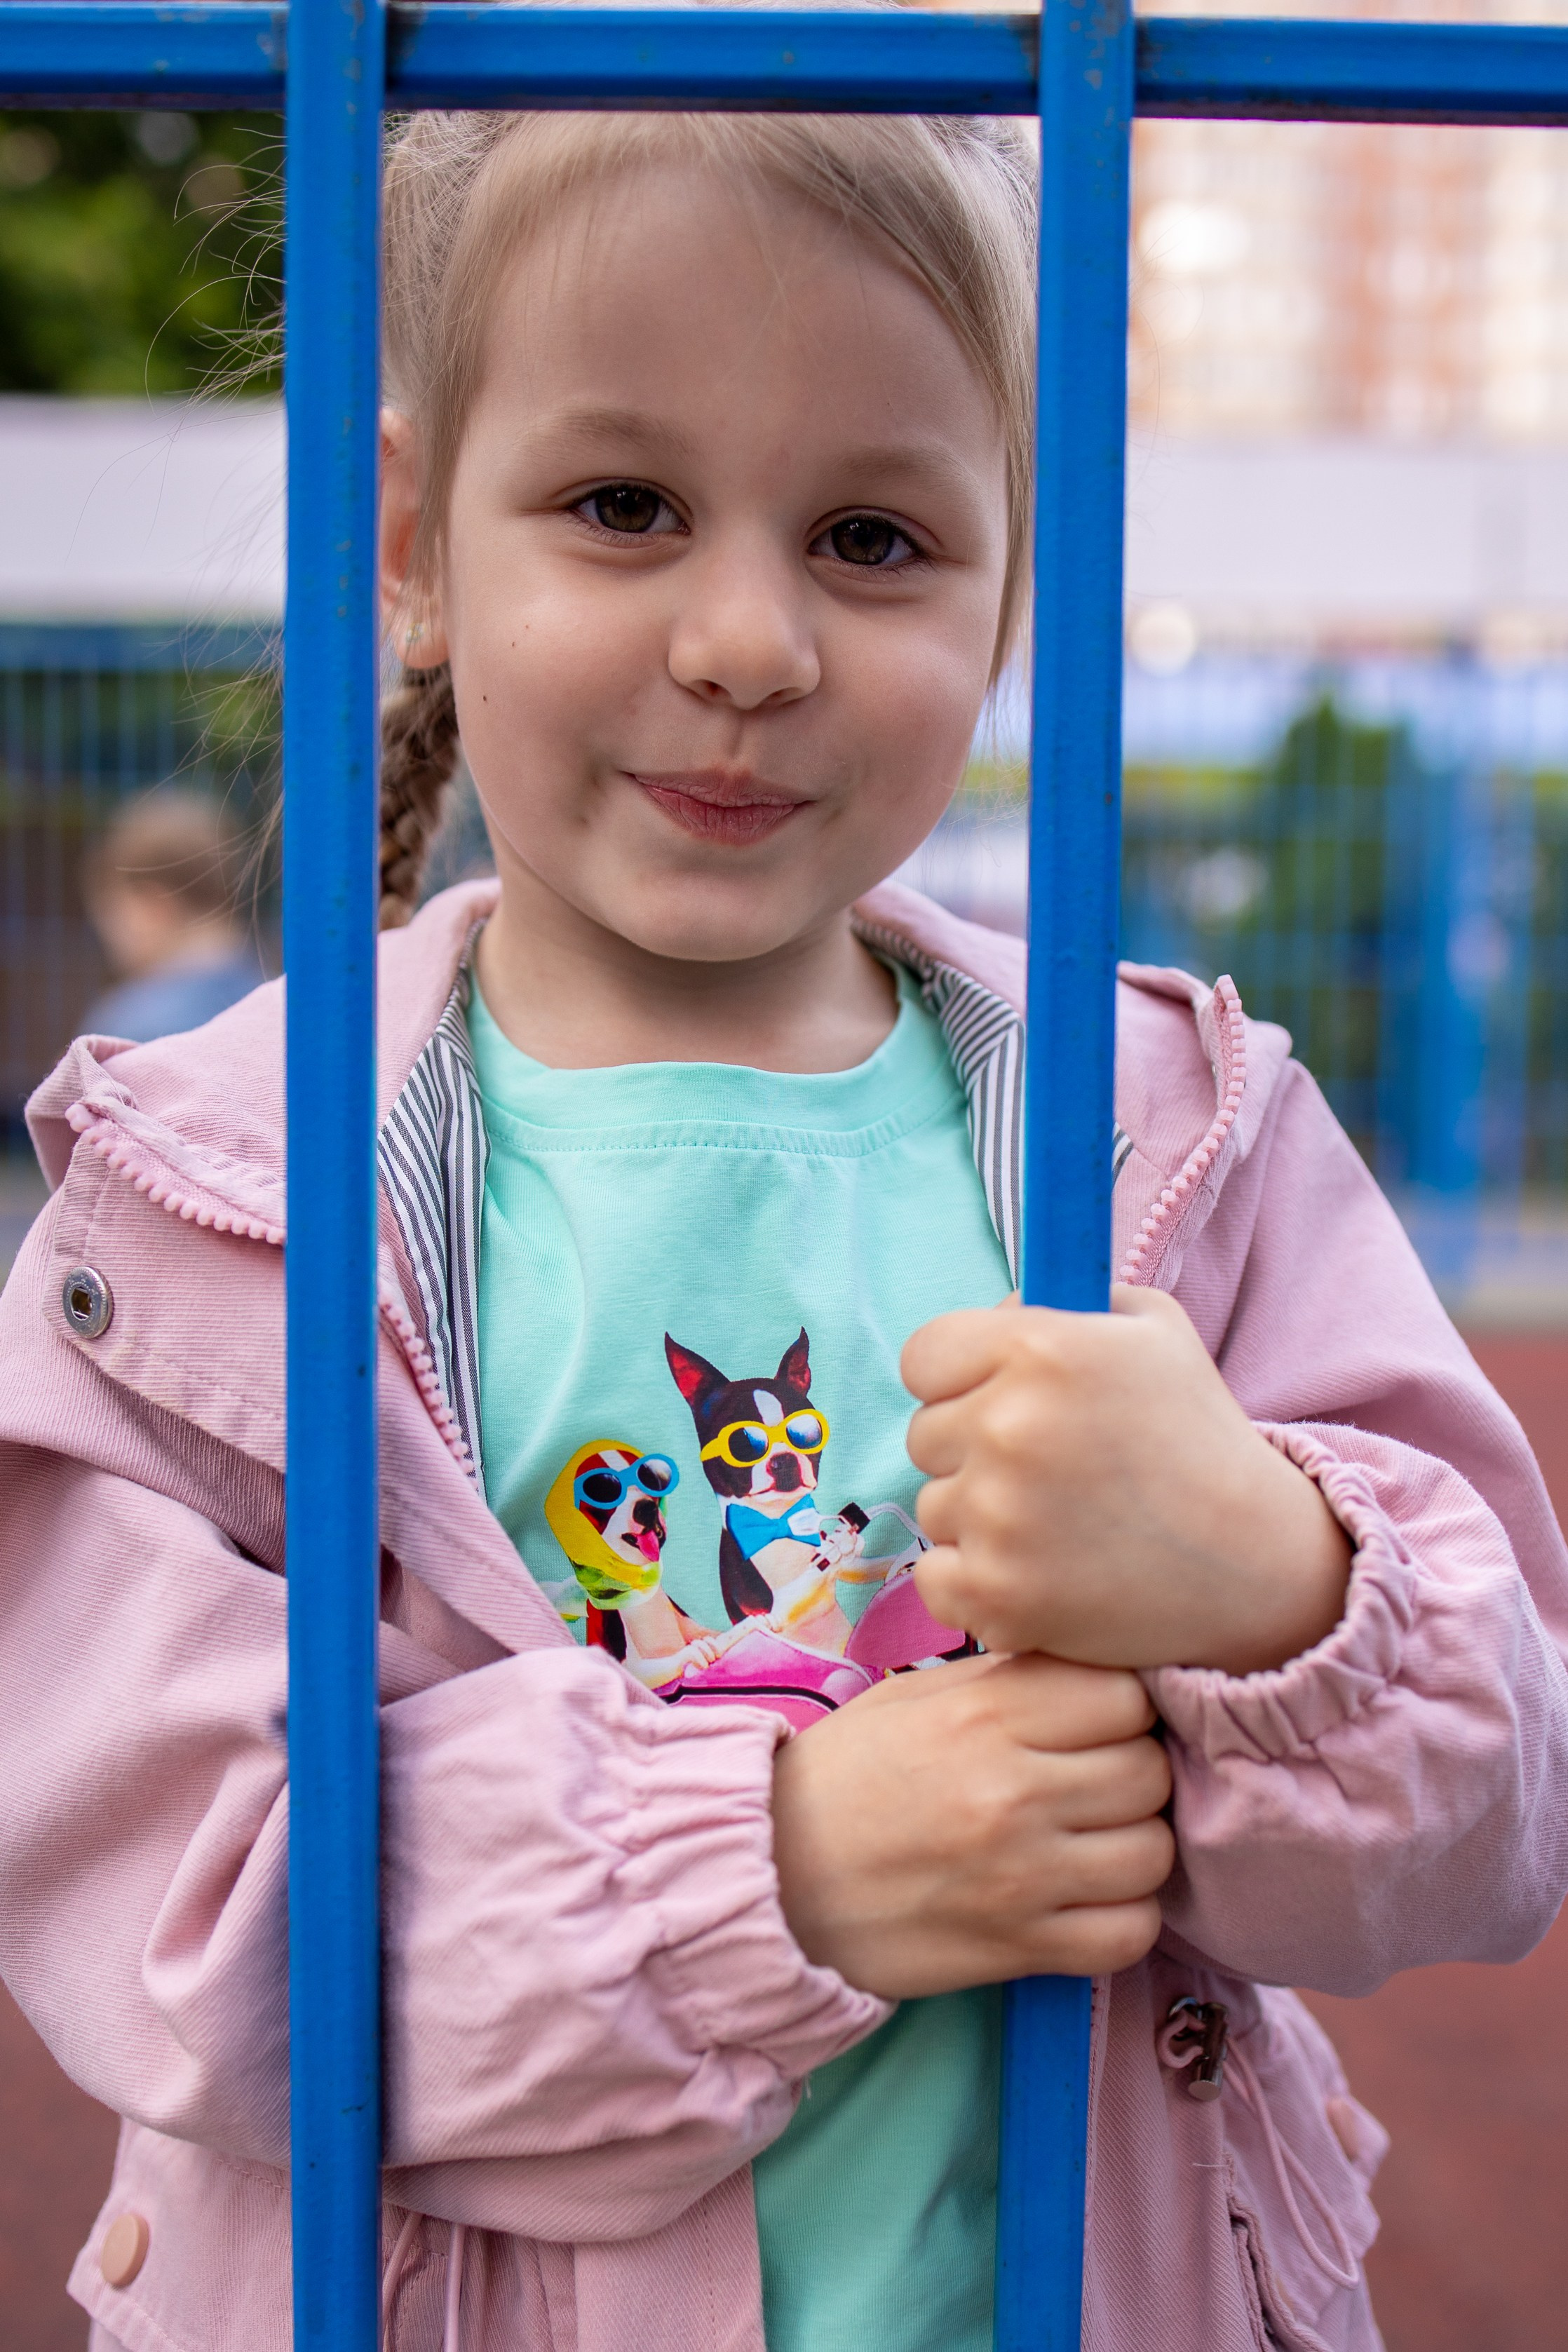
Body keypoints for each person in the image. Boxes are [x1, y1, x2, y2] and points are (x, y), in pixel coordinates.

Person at [1, 92, 1566, 2352]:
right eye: (622, 506)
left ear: (1015, 586)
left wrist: (1273, 1578)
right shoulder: (206, 1199)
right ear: (412, 542)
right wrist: (787, 1856)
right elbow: (168, 1904)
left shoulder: (1167, 1129)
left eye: (869, 536)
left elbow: (1494, 1807)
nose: (747, 637)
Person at [80, 788, 266, 1043]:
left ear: (153, 905)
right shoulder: (276, 1001)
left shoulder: (125, 1029)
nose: (106, 935)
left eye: (111, 913)